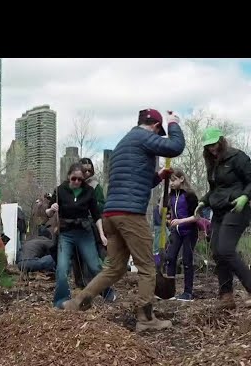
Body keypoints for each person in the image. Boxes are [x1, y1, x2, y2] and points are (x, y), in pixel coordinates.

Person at [62, 108, 184, 333]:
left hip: (111, 215)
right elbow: (175, 147)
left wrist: (158, 177)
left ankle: (77, 303)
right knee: (147, 267)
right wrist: (174, 123)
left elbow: (138, 182)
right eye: (160, 132)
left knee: (114, 268)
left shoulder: (123, 144)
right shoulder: (145, 137)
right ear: (156, 127)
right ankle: (146, 318)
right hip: (130, 215)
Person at [193, 127, 251, 309]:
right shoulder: (212, 164)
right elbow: (215, 190)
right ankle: (226, 297)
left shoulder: (238, 157)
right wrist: (203, 202)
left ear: (221, 141)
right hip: (219, 212)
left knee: (225, 249)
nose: (212, 148)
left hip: (237, 209)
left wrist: (245, 197)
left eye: (214, 144)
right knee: (217, 251)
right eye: (208, 146)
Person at [47, 163, 115, 309]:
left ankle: (108, 292)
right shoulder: (60, 191)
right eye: (74, 179)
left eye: (80, 179)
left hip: (85, 233)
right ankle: (61, 301)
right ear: (68, 177)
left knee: (94, 265)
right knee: (62, 268)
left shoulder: (89, 191)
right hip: (66, 233)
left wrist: (102, 235)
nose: (77, 182)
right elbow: (48, 213)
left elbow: (96, 216)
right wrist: (52, 209)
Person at [165, 169, 200, 301]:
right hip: (177, 232)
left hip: (190, 231)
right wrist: (169, 219)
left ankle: (188, 292)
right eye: (170, 181)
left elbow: (197, 217)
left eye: (173, 180)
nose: (171, 184)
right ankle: (169, 291)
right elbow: (168, 212)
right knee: (170, 257)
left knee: (186, 261)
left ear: (181, 179)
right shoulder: (171, 196)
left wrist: (181, 221)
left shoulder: (190, 195)